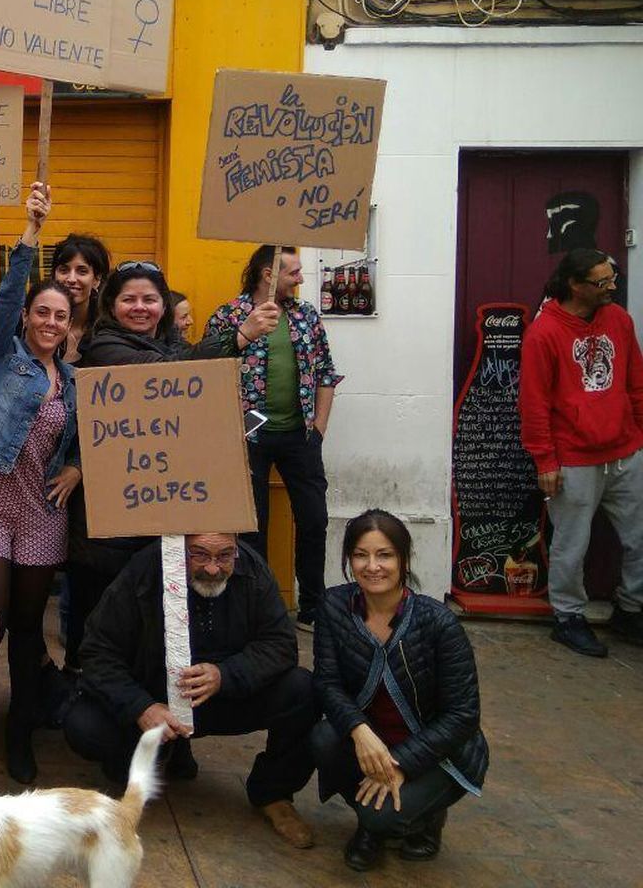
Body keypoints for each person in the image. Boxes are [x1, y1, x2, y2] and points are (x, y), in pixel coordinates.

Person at [66, 262, 280, 667]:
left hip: (162, 512)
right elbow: (170, 376)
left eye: (150, 299)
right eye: (129, 299)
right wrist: (241, 335)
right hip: (110, 521)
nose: (140, 307)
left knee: (149, 623)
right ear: (111, 306)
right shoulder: (103, 347)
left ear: (163, 306)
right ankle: (87, 694)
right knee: (99, 617)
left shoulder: (175, 346)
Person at [0, 182, 82, 783]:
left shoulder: (75, 381)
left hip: (41, 513)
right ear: (27, 316)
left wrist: (76, 467)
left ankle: (20, 734)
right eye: (42, 312)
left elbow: (86, 439)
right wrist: (30, 233)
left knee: (29, 633)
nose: (51, 321)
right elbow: (1, 300)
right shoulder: (1, 355)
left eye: (61, 315)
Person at [65, 534, 320, 851]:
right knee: (84, 724)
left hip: (222, 698)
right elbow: (97, 652)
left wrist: (225, 675)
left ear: (237, 546)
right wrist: (140, 707)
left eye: (225, 556)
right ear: (179, 547)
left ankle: (274, 793)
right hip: (155, 702)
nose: (213, 569)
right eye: (199, 555)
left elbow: (280, 645)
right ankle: (154, 756)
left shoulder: (253, 571)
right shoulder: (144, 569)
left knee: (302, 689)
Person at [312, 511, 488, 870]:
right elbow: (327, 682)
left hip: (437, 749)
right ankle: (373, 818)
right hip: (374, 740)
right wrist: (359, 731)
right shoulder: (334, 607)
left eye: (385, 555)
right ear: (349, 559)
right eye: (361, 554)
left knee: (382, 818)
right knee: (324, 738)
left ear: (404, 560)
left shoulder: (438, 623)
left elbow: (463, 716)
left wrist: (401, 763)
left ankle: (421, 818)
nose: (372, 566)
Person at [205, 245, 339, 629]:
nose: (300, 279)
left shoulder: (306, 315)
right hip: (249, 434)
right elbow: (206, 369)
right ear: (268, 273)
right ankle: (257, 609)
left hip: (301, 434)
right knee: (253, 525)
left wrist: (319, 428)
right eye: (293, 272)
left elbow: (327, 372)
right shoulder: (230, 316)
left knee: (314, 519)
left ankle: (313, 607)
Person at [519, 249, 643, 657]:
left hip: (625, 451)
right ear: (576, 284)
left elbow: (635, 381)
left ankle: (631, 609)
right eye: (602, 281)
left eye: (613, 277)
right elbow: (534, 403)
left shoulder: (619, 321)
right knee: (571, 544)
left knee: (640, 537)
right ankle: (568, 617)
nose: (612, 286)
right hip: (573, 457)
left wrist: (639, 435)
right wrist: (546, 460)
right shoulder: (545, 332)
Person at [51, 233, 110, 365]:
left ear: (97, 279)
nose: (71, 279)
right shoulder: (38, 327)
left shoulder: (108, 331)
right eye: (64, 270)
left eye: (82, 271)